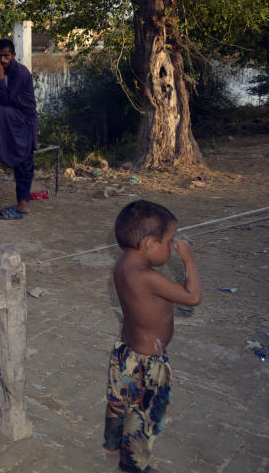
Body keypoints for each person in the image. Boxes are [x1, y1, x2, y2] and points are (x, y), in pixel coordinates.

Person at [104, 200, 201, 473]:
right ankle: (132, 467)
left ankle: (112, 443)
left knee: (118, 399)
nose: (172, 247)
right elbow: (192, 297)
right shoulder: (148, 277)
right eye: (169, 241)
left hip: (123, 351)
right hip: (149, 363)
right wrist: (188, 260)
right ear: (149, 245)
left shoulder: (122, 265)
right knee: (143, 419)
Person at [0, 38, 38, 220]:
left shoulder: (19, 73)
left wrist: (0, 79)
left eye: (6, 56)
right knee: (21, 161)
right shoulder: (9, 71)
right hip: (17, 121)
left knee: (25, 161)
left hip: (24, 122)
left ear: (14, 56)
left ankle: (24, 205)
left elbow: (7, 100)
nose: (2, 60)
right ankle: (22, 202)